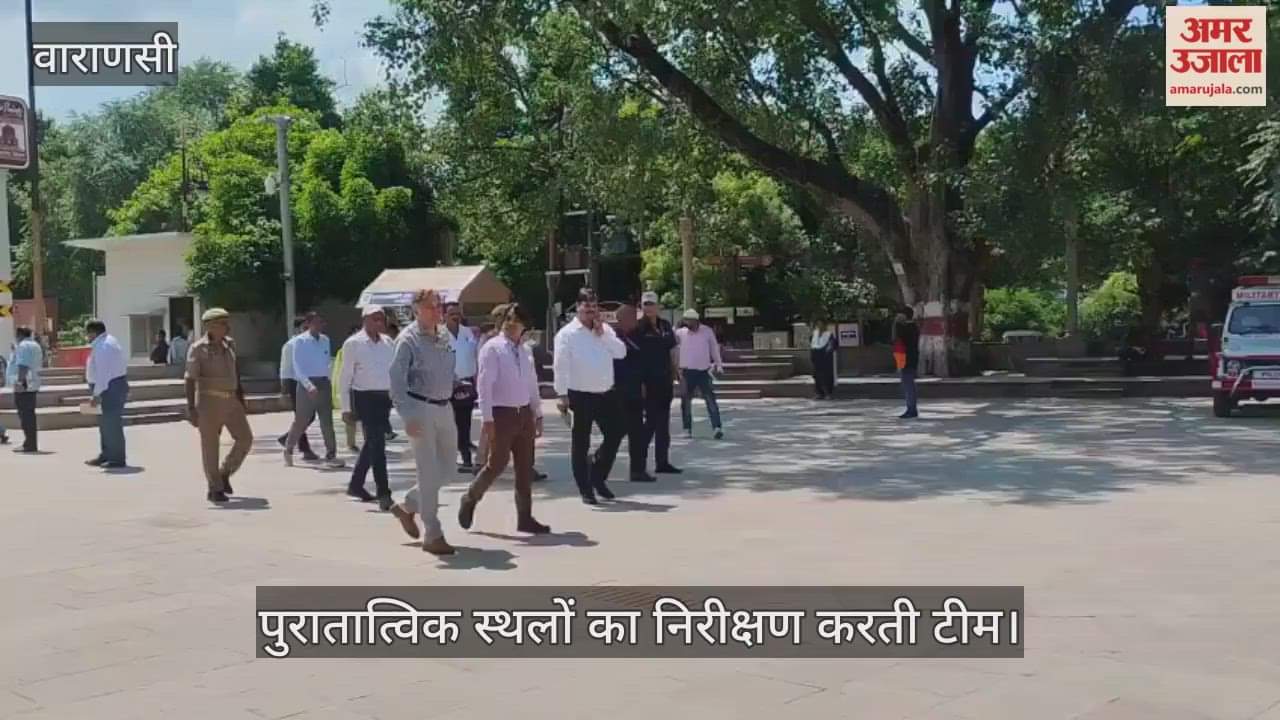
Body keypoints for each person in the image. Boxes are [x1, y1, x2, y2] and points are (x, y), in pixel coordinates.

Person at [457, 302, 550, 534]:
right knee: (496, 464)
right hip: (502, 413)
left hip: (523, 412)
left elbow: (531, 384)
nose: (512, 323)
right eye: (509, 318)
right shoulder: (493, 348)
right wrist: (487, 418)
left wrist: (537, 412)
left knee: (525, 466)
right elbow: (484, 385)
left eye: (517, 319)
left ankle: (525, 517)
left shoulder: (525, 350)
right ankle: (470, 498)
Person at [386, 289, 459, 556]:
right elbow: (396, 381)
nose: (436, 311)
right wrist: (407, 415)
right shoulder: (408, 340)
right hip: (420, 407)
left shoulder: (443, 335)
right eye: (430, 306)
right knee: (428, 472)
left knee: (449, 469)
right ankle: (433, 533)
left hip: (444, 406)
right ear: (416, 310)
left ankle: (407, 506)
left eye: (438, 306)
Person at [553, 287, 627, 504]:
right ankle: (585, 488)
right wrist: (561, 394)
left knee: (617, 432)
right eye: (586, 307)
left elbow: (621, 353)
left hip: (605, 393)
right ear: (578, 308)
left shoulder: (604, 330)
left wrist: (603, 335)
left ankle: (597, 474)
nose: (590, 312)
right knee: (580, 442)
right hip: (580, 394)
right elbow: (561, 365)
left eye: (594, 308)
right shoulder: (567, 334)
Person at [184, 308, 253, 503]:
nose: (227, 327)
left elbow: (235, 372)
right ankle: (215, 488)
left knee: (245, 439)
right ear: (210, 326)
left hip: (231, 400)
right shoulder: (198, 349)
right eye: (223, 323)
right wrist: (191, 408)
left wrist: (241, 397)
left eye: (227, 323)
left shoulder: (230, 344)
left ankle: (225, 473)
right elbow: (190, 379)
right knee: (210, 447)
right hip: (209, 402)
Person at [338, 307, 396, 509]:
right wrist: (345, 407)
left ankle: (356, 484)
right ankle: (384, 492)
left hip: (384, 398)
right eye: (375, 319)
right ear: (365, 320)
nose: (379, 322)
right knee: (377, 445)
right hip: (364, 398)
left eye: (381, 319)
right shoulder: (353, 343)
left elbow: (392, 371)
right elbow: (345, 377)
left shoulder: (388, 342)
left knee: (373, 442)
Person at [629, 292, 682, 476]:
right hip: (647, 383)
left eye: (652, 304)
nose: (649, 307)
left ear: (658, 306)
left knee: (663, 425)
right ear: (641, 307)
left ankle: (662, 462)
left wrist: (677, 372)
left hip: (665, 381)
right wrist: (639, 383)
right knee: (650, 424)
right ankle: (638, 464)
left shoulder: (665, 325)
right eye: (646, 304)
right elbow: (633, 357)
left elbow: (672, 350)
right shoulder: (638, 328)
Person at [284, 312, 343, 468]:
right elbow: (297, 366)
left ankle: (331, 454)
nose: (319, 326)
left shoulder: (325, 340)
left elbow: (326, 361)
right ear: (308, 323)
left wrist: (330, 379)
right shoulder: (299, 342)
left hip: (324, 383)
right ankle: (288, 449)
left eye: (321, 322)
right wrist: (308, 385)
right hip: (307, 384)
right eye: (316, 322)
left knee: (327, 421)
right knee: (302, 420)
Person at [614, 304, 652, 482]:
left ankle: (638, 470)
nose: (634, 320)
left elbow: (644, 362)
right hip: (617, 391)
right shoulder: (612, 337)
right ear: (621, 319)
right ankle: (598, 460)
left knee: (637, 432)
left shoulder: (640, 336)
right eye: (630, 317)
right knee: (617, 430)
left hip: (636, 390)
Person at [84, 319, 130, 468]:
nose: (87, 337)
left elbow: (104, 373)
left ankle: (117, 458)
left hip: (108, 388)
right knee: (104, 424)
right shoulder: (106, 341)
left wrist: (96, 394)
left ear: (93, 332)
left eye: (87, 334)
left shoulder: (104, 346)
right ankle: (106, 454)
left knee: (111, 423)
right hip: (108, 386)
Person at [676, 309, 725, 440]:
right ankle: (687, 429)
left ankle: (717, 427)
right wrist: (676, 369)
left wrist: (719, 364)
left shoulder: (707, 331)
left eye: (690, 320)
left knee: (710, 400)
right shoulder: (680, 333)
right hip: (686, 371)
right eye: (686, 320)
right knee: (685, 402)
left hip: (703, 371)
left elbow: (714, 348)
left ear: (696, 320)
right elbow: (673, 350)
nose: (688, 323)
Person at [444, 301, 480, 470]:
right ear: (444, 315)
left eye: (457, 313)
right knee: (450, 422)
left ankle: (465, 453)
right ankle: (455, 453)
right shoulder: (439, 335)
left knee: (465, 420)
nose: (455, 316)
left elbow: (474, 354)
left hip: (467, 382)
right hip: (447, 384)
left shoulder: (468, 333)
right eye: (451, 313)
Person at [276, 318, 316, 460]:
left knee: (308, 416)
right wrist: (284, 390)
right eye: (304, 327)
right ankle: (304, 449)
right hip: (295, 383)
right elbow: (284, 368)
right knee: (303, 417)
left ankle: (288, 438)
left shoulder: (313, 343)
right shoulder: (291, 345)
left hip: (310, 382)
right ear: (298, 328)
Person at [8, 325, 43, 453]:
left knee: (25, 415)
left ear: (19, 335)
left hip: (24, 384)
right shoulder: (34, 345)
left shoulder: (23, 346)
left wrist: (19, 382)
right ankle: (30, 442)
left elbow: (23, 365)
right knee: (29, 414)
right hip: (32, 384)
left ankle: (29, 444)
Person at [332, 324, 363, 453]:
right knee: (351, 416)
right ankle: (351, 443)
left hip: (363, 386)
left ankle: (369, 441)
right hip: (351, 386)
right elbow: (340, 371)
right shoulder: (345, 349)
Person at [892, 307, 920, 419]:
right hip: (908, 358)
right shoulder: (912, 327)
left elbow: (895, 337)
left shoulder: (907, 328)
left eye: (899, 315)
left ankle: (911, 409)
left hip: (907, 359)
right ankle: (911, 408)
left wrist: (896, 323)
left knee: (908, 385)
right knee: (908, 384)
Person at [810, 320, 837, 400]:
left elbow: (833, 345)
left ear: (825, 326)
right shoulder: (814, 334)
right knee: (817, 376)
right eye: (818, 325)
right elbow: (812, 344)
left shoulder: (829, 335)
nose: (820, 326)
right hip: (816, 357)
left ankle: (828, 393)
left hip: (825, 358)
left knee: (826, 376)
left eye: (821, 325)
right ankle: (819, 393)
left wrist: (830, 347)